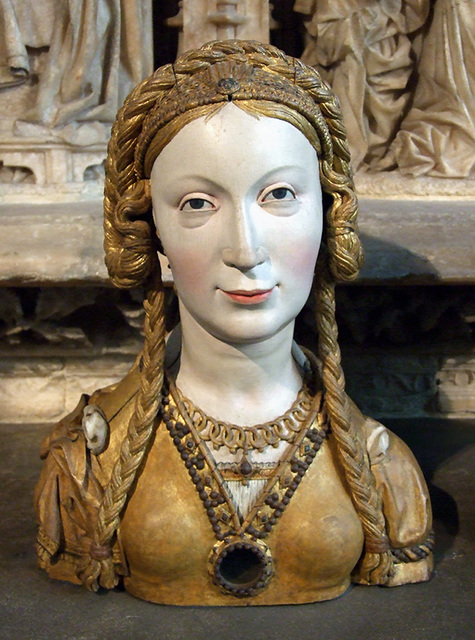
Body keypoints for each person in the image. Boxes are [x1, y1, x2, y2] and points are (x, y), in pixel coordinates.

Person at [35, 40, 433, 606]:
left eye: (280, 194)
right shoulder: (84, 466)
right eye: (198, 204)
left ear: (330, 215)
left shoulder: (382, 471)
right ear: (151, 232)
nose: (245, 250)